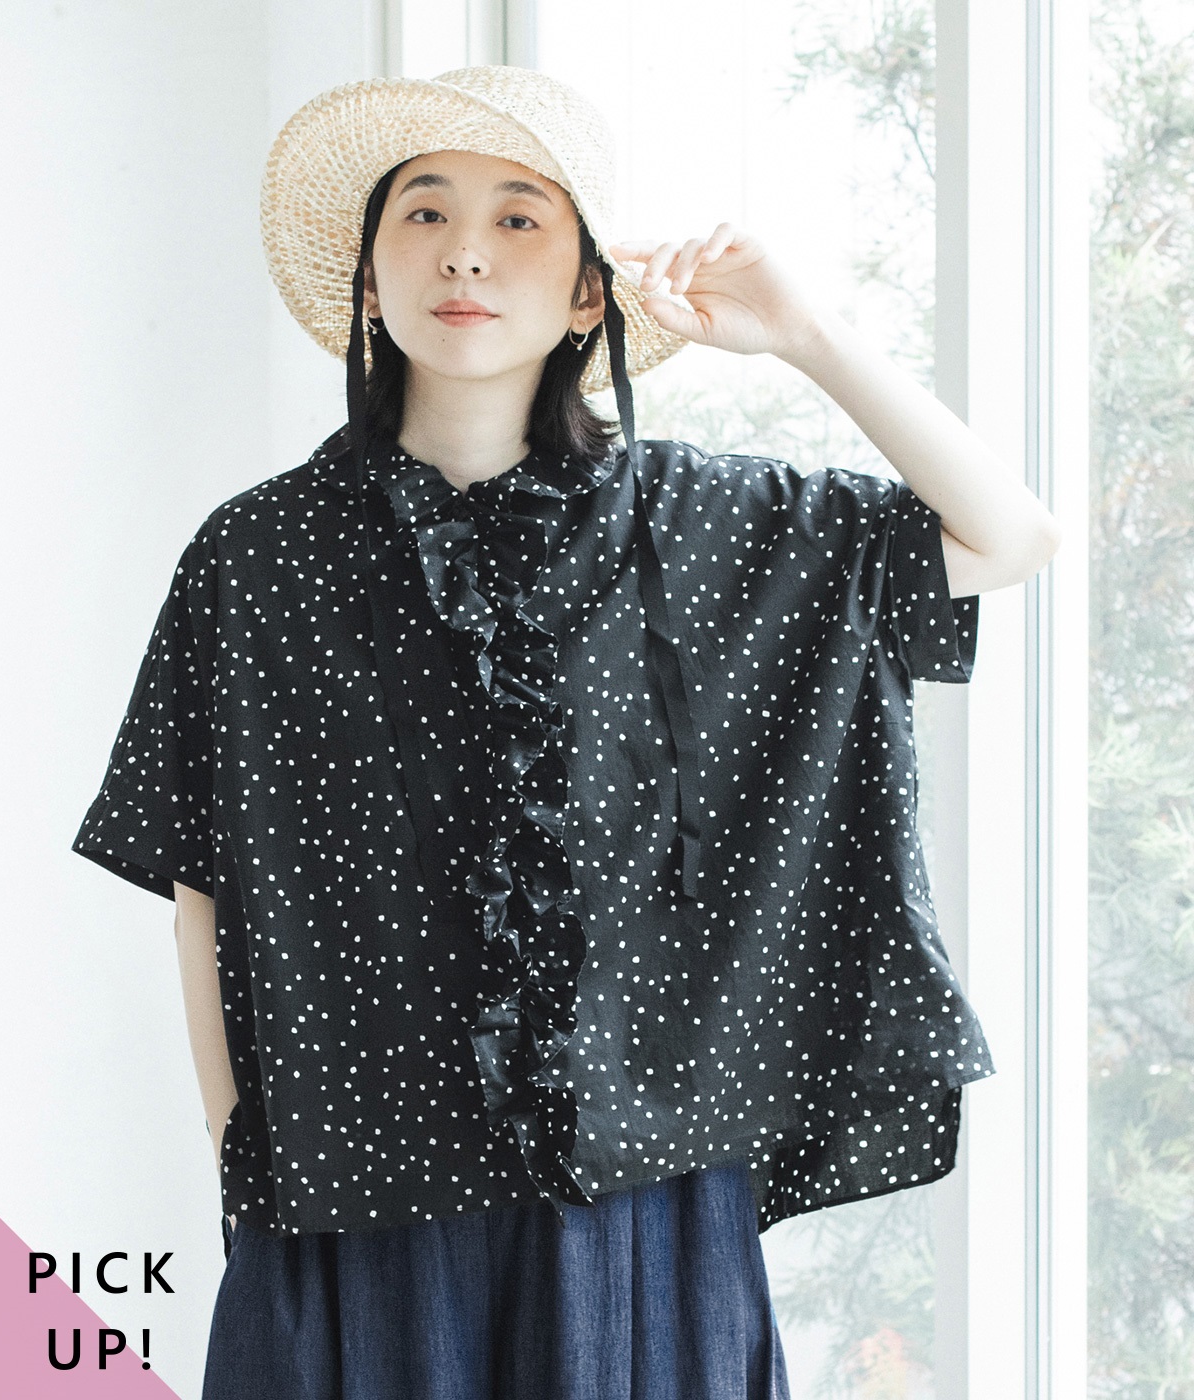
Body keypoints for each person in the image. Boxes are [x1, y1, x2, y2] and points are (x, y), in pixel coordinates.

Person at [71, 64, 1060, 1400]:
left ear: (591, 290)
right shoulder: (260, 554)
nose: (465, 251)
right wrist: (235, 1146)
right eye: (424, 213)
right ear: (366, 277)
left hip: (636, 1209)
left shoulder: (707, 525)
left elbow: (1006, 537)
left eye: (520, 217)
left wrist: (807, 335)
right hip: (346, 1202)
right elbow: (202, 882)